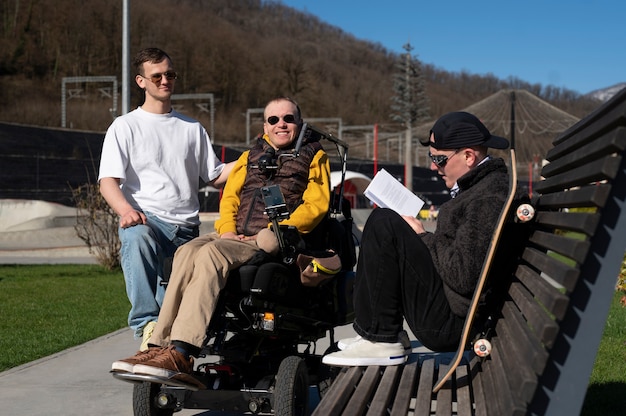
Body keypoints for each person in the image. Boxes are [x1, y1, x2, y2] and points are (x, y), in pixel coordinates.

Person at [110, 97, 331, 384]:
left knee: (210, 255)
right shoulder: (250, 156)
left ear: (298, 123)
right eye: (274, 120)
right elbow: (230, 197)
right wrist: (226, 230)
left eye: (288, 119)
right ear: (265, 125)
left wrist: (284, 227)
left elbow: (317, 205)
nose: (281, 124)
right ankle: (158, 345)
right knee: (187, 252)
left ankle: (183, 350)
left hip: (273, 235)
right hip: (235, 234)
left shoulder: (315, 155)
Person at [322, 111, 511, 366]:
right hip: (452, 308)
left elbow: (463, 276)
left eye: (439, 159)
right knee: (388, 221)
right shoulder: (481, 188)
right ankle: (380, 333)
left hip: (451, 323)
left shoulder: (487, 199)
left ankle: (380, 337)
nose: (433, 166)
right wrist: (422, 238)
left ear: (468, 156)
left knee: (384, 223)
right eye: (431, 158)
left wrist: (423, 236)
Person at [98, 48, 232, 351]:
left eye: (169, 74)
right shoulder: (125, 126)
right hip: (148, 221)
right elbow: (108, 181)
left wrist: (254, 158)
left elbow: (215, 175)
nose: (164, 80)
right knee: (136, 237)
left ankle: (171, 357)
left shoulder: (192, 128)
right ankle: (145, 324)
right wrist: (125, 210)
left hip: (186, 230)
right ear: (141, 81)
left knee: (176, 316)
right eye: (156, 76)